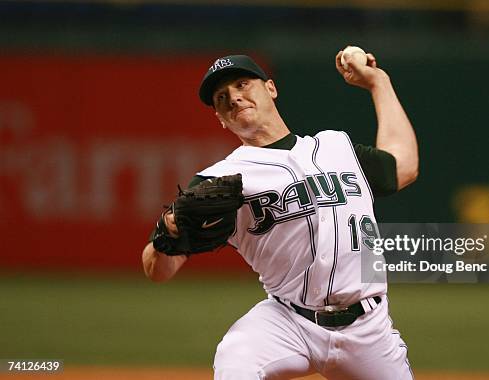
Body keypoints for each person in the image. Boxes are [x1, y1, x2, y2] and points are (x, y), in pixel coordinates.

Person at [142, 49, 419, 379]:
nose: (234, 97)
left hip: (368, 325)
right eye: (221, 97)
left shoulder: (336, 147)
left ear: (270, 88)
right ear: (219, 117)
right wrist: (166, 234)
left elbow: (404, 164)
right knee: (235, 357)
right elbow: (158, 270)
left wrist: (379, 82)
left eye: (243, 84)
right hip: (289, 321)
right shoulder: (220, 178)